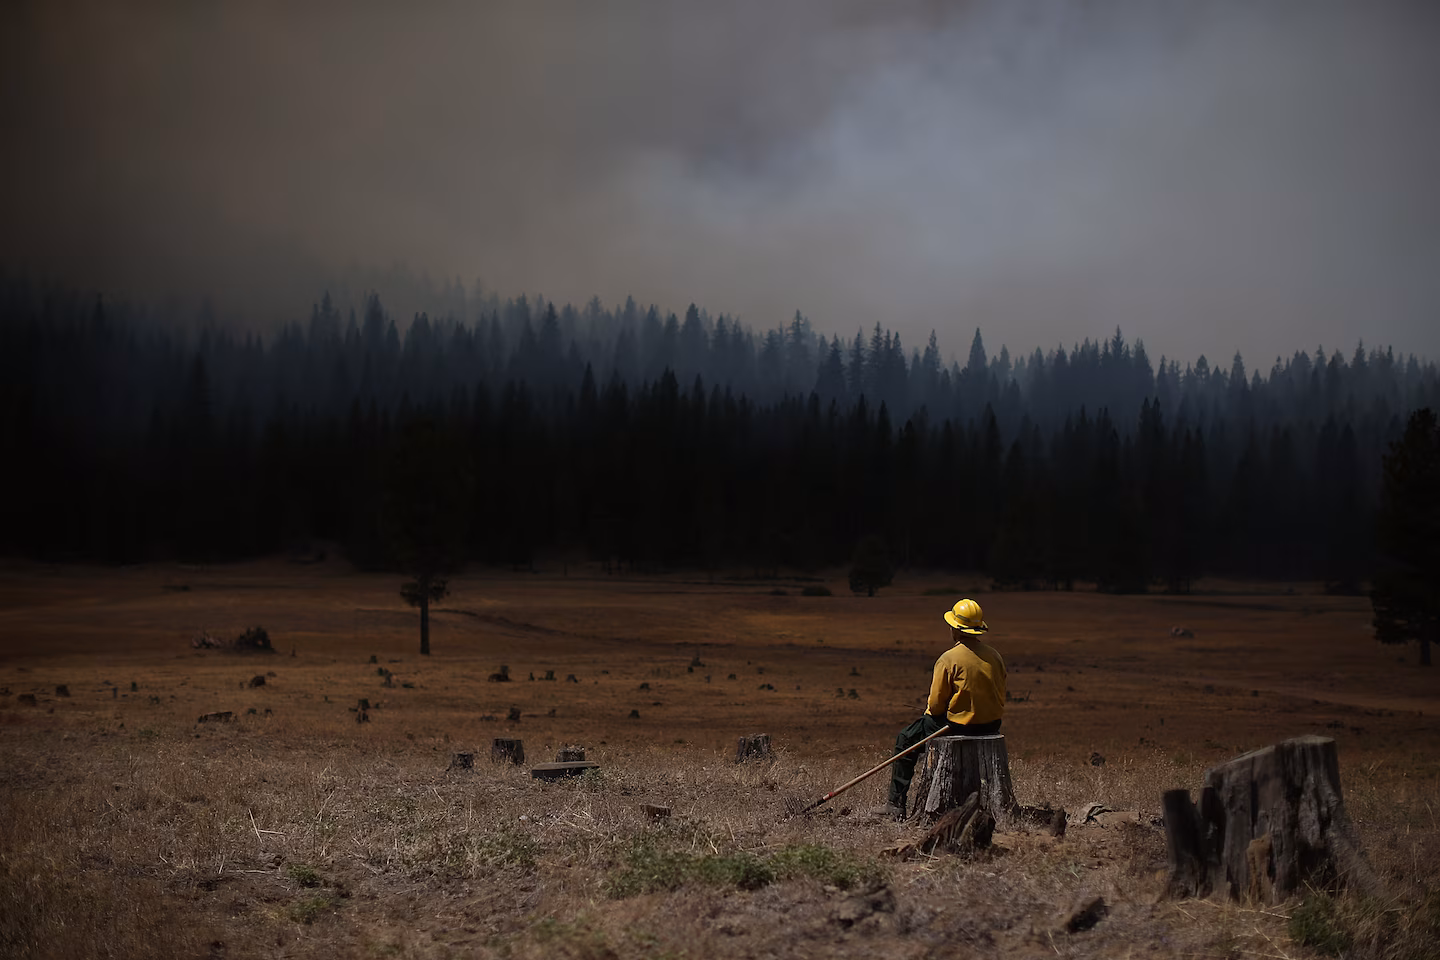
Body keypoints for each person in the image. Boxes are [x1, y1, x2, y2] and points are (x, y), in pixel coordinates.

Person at [873, 598, 1007, 820]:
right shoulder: (995, 656)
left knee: (906, 739)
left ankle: (895, 805)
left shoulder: (948, 659)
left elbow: (935, 707)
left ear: (955, 628)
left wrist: (934, 713)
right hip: (992, 725)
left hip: (956, 727)